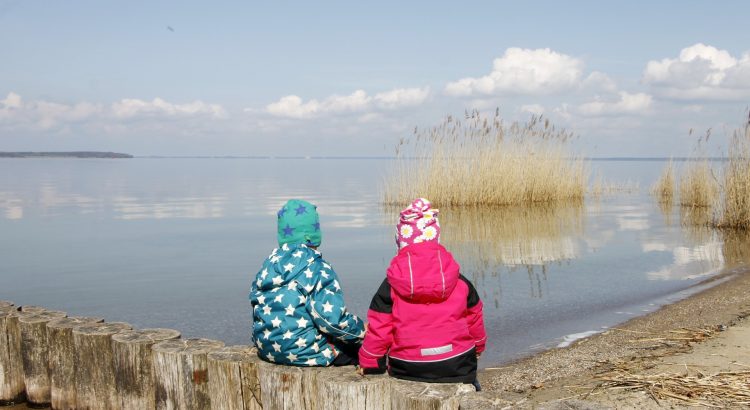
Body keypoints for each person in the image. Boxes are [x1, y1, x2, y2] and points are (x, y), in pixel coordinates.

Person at [358, 198, 486, 387]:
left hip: (408, 366)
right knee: (472, 385)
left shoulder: (391, 285)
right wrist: (478, 346)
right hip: (458, 363)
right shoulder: (458, 279)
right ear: (435, 238)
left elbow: (380, 329)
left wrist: (371, 361)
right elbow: (474, 316)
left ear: (400, 241)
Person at [249, 199, 365, 366]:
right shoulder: (317, 268)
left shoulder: (268, 266)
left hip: (267, 348)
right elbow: (332, 321)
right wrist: (361, 330)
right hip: (307, 352)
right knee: (364, 352)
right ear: (314, 234)